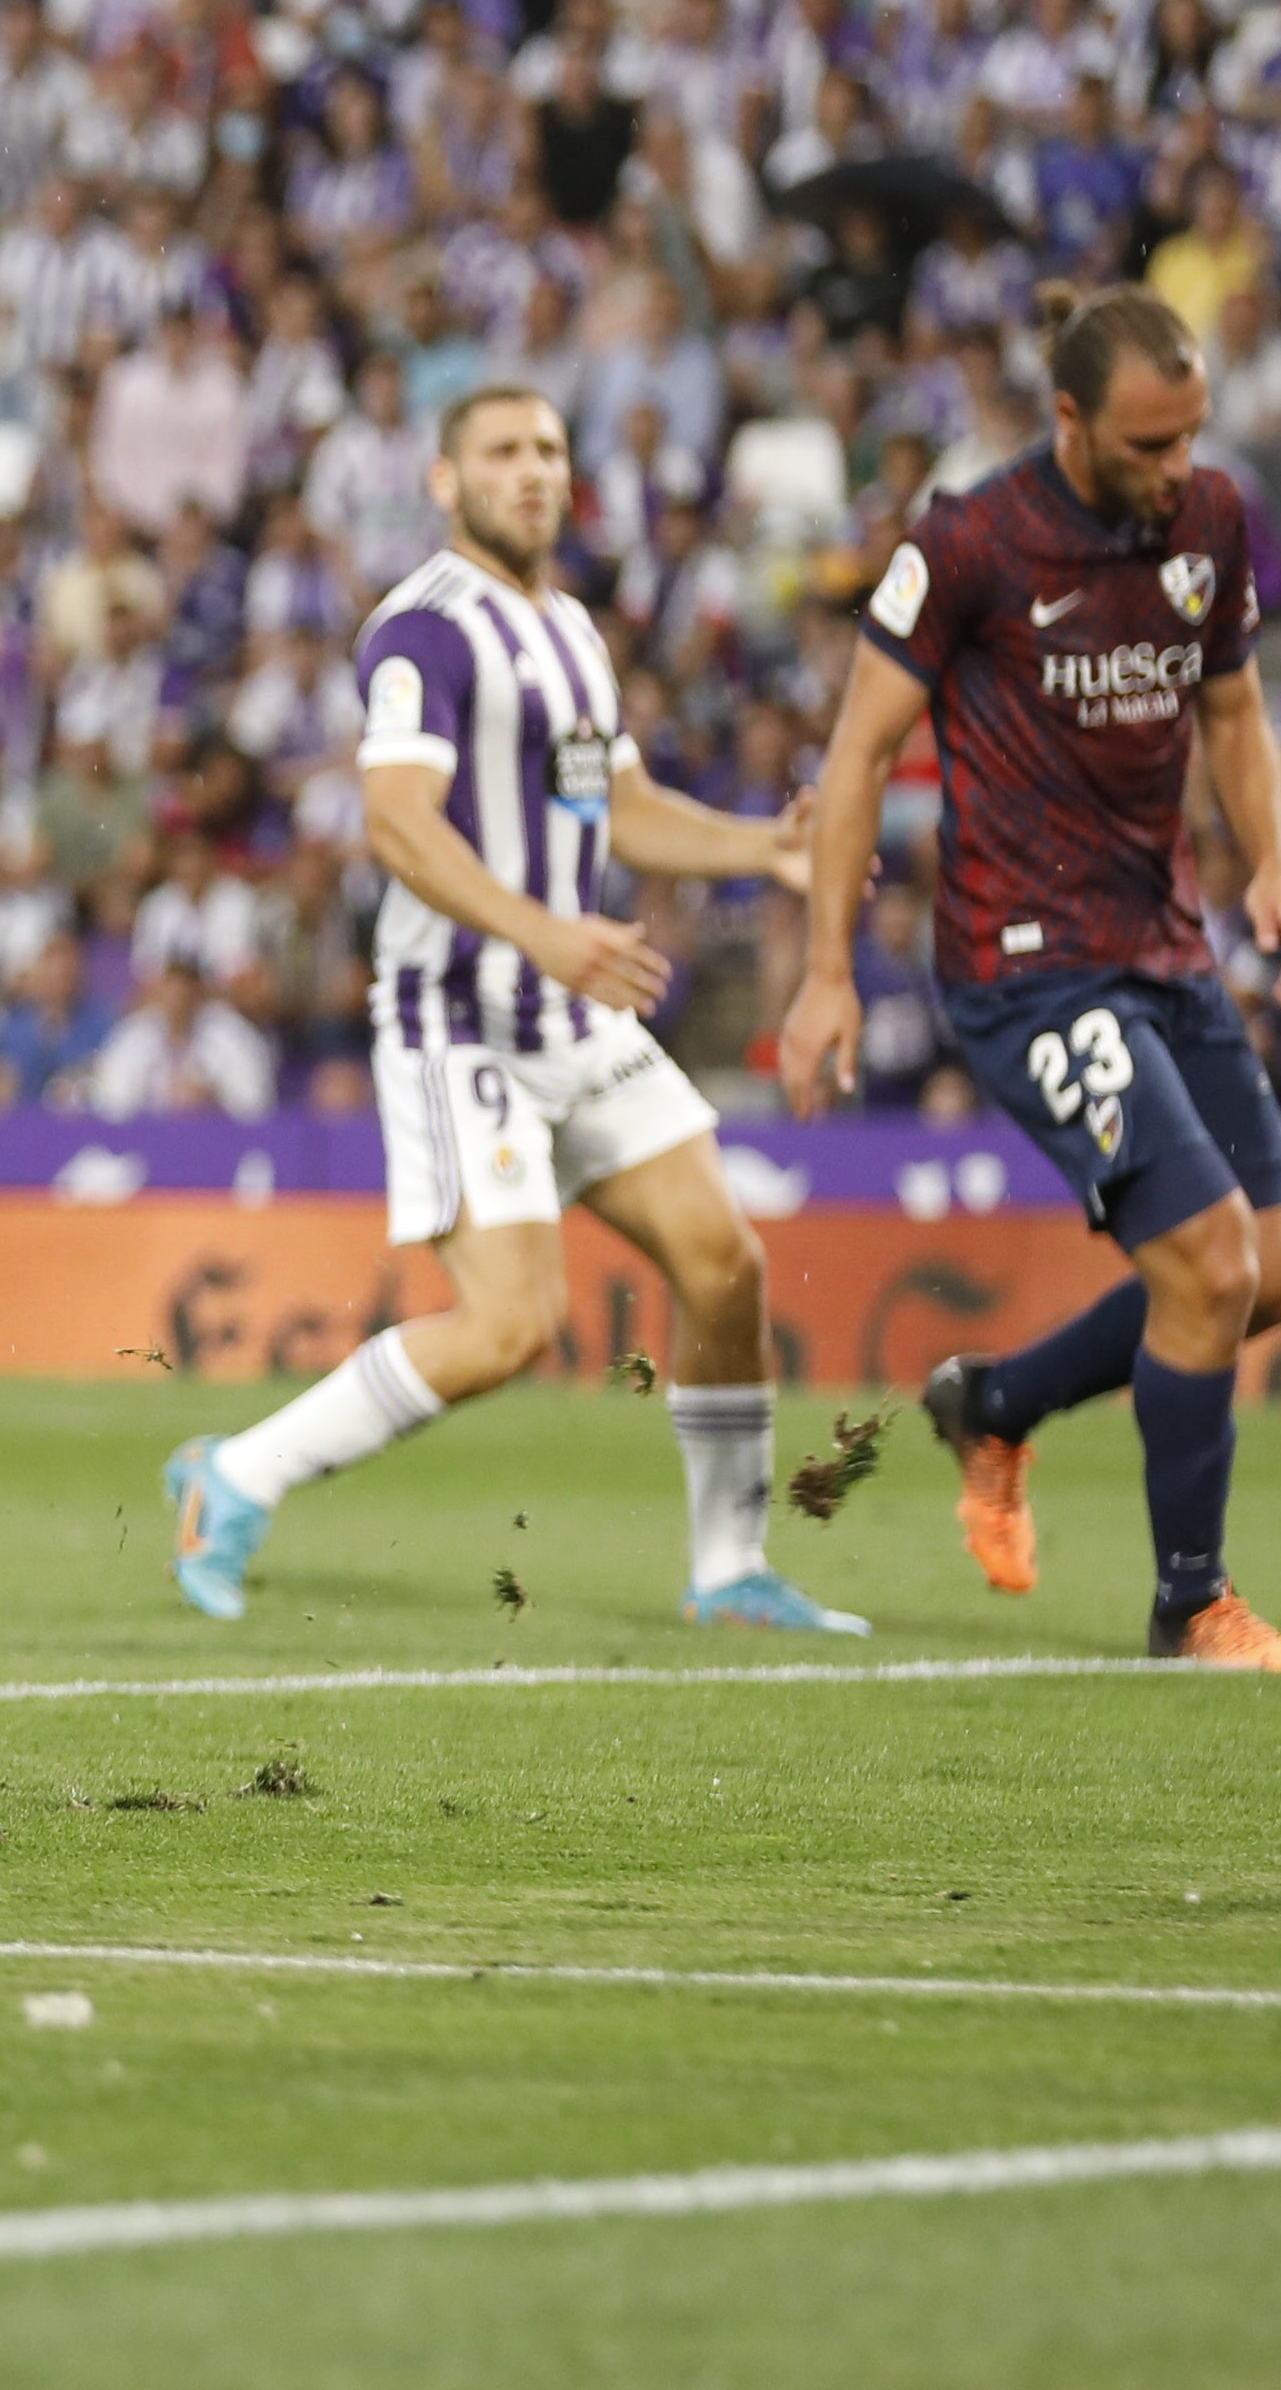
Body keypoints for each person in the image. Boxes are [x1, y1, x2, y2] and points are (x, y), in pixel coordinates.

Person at [165, 386, 851, 1633]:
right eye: (501, 452)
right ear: (446, 480)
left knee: (723, 1263)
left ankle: (726, 1567)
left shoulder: (572, 633)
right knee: (511, 1325)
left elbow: (619, 809)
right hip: (458, 1016)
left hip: (569, 1010)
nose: (531, 471)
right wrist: (541, 930)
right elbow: (393, 821)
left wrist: (765, 850)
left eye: (547, 448)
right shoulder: (420, 632)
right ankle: (234, 1474)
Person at [782, 285, 1281, 1671]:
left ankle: (998, 1399)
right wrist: (824, 972)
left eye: (1191, 435)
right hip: (1021, 962)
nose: (1177, 469)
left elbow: (1235, 707)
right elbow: (852, 761)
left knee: (1267, 1278)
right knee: (1204, 1262)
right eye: (1149, 444)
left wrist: (1266, 861)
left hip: (1162, 940)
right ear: (1069, 417)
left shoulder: (1204, 520)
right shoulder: (970, 540)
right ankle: (1189, 1605)